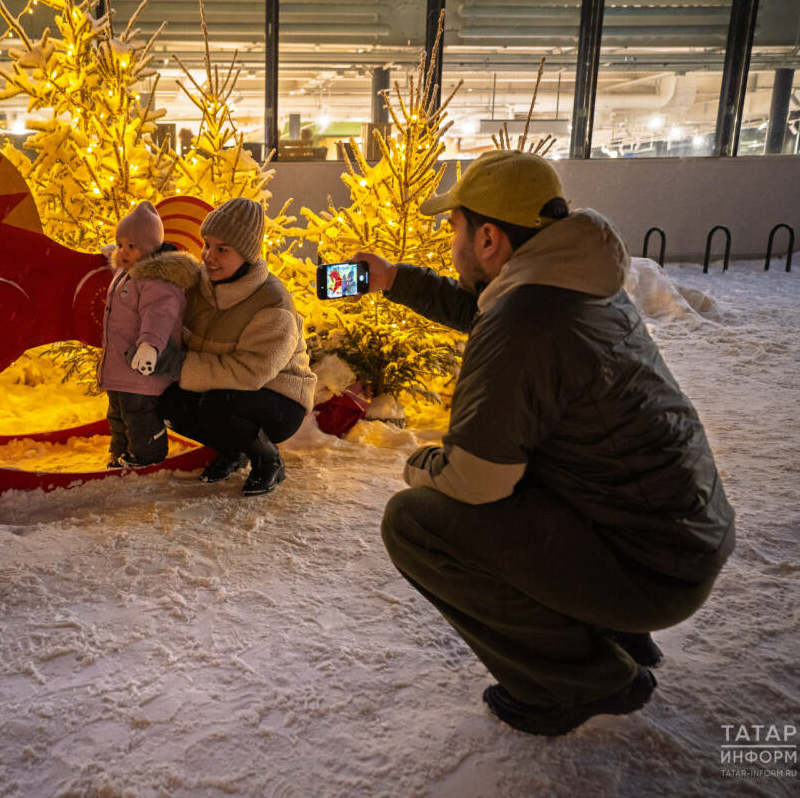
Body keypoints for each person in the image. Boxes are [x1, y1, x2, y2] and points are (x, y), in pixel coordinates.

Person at [354, 150, 735, 736]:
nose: (446, 241)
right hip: (676, 540)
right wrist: (393, 280)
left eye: (452, 227)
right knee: (530, 458)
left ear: (487, 239)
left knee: (417, 521)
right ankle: (612, 627)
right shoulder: (574, 282)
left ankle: (580, 679)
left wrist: (420, 463)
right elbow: (489, 313)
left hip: (652, 569)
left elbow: (474, 480)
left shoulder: (524, 323)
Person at [159, 197, 316, 496]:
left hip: (280, 397)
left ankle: (268, 461)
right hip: (224, 389)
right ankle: (234, 449)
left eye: (223, 249)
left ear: (245, 254)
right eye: (207, 244)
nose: (208, 256)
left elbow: (251, 372)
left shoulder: (272, 303)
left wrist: (181, 365)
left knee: (217, 406)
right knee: (170, 403)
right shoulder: (198, 286)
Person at [98, 201, 200, 468]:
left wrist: (150, 346)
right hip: (121, 367)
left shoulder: (157, 279)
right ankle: (120, 451)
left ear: (150, 249)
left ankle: (148, 453)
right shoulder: (128, 271)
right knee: (118, 413)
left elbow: (160, 314)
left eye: (132, 246)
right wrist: (114, 253)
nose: (123, 252)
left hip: (141, 367)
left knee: (139, 413)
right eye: (120, 244)